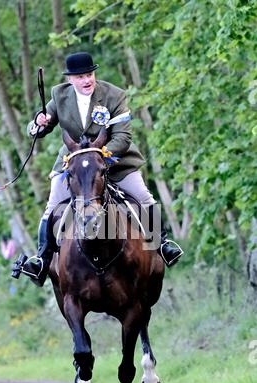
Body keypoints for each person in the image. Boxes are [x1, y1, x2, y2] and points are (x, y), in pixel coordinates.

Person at [17, 52, 183, 286]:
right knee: (52, 206)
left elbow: (123, 137)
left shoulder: (114, 95)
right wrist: (37, 124)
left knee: (144, 197)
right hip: (74, 166)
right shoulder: (59, 95)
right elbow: (42, 126)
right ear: (70, 80)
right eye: (81, 77)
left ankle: (163, 244)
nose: (87, 80)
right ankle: (41, 261)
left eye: (90, 74)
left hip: (114, 161)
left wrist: (99, 157)